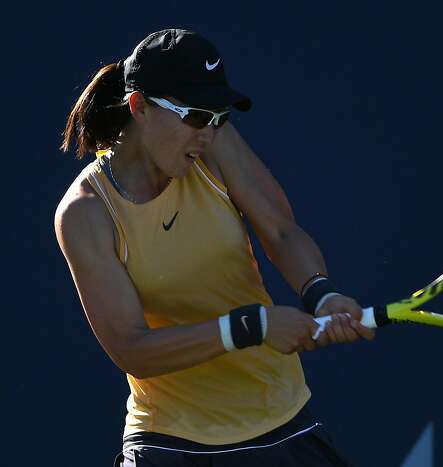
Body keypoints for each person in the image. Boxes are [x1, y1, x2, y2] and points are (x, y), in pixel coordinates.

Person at [55, 28, 374, 466]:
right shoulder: (86, 213)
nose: (207, 132)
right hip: (169, 442)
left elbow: (280, 231)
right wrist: (251, 327)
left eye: (218, 116)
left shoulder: (214, 145)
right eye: (194, 116)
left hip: (279, 422)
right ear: (139, 107)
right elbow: (131, 348)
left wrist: (321, 293)